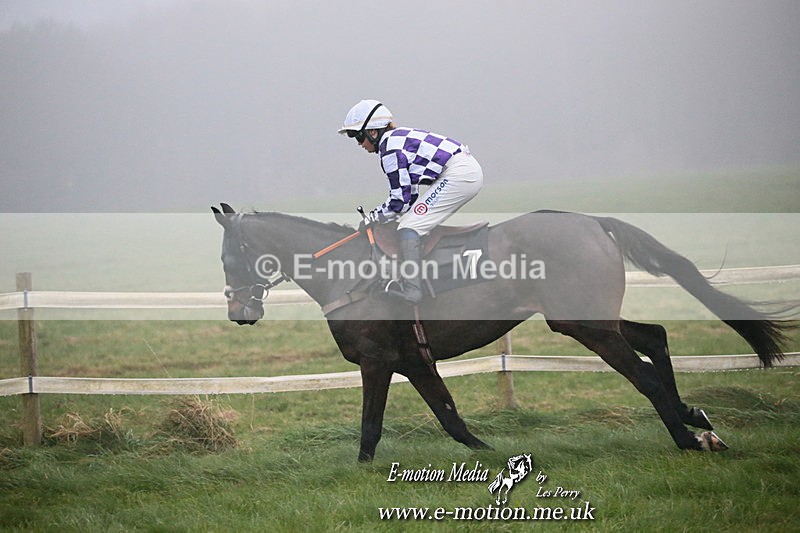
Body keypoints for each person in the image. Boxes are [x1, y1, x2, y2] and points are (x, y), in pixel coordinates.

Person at [338, 99, 484, 304]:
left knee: (410, 226)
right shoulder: (395, 140)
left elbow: (399, 201)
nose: (359, 143)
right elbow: (409, 197)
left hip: (460, 174)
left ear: (372, 132)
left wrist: (374, 216)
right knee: (413, 218)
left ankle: (413, 291)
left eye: (357, 136)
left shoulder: (389, 149)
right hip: (461, 169)